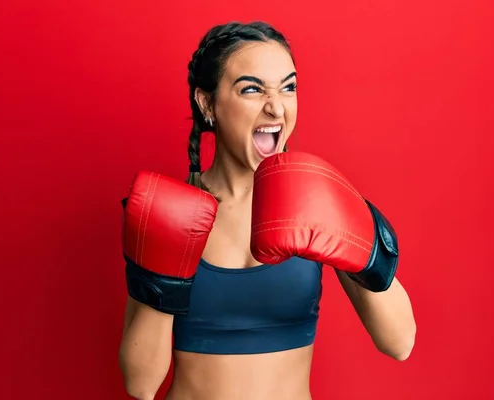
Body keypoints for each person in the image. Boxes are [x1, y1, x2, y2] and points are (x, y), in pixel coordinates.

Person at [118, 21, 417, 400]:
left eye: (288, 87)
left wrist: (358, 235)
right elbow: (141, 385)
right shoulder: (168, 212)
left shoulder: (315, 202)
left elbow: (400, 342)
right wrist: (164, 266)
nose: (276, 106)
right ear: (207, 102)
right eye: (252, 89)